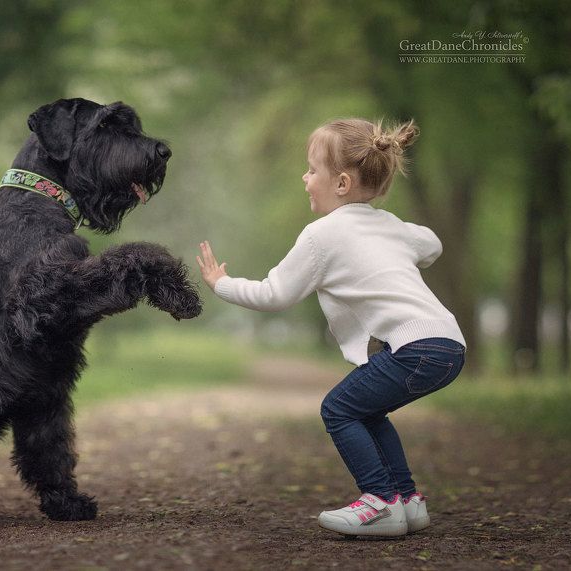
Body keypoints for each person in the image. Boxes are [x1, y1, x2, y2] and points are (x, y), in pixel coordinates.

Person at [196, 117, 466, 538]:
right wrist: (402, 242)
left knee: (338, 409)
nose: (305, 179)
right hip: (448, 343)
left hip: (414, 348)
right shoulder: (389, 225)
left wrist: (222, 284)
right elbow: (431, 243)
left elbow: (275, 293)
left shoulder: (322, 235)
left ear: (341, 183)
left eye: (311, 170)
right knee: (368, 411)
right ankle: (408, 502)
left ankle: (379, 502)